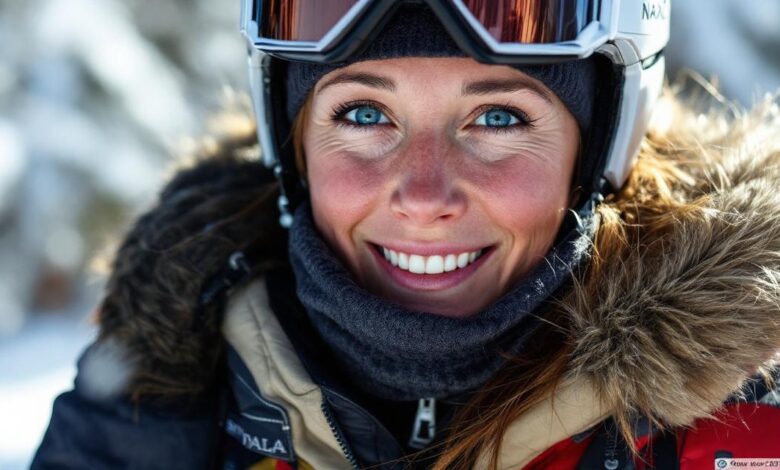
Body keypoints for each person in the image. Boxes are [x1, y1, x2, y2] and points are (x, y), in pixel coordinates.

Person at [32, 2, 780, 469]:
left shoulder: (751, 423)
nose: (424, 198)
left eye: (497, 118)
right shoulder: (176, 378)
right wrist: (145, 414)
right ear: (294, 147)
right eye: (364, 115)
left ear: (597, 154)